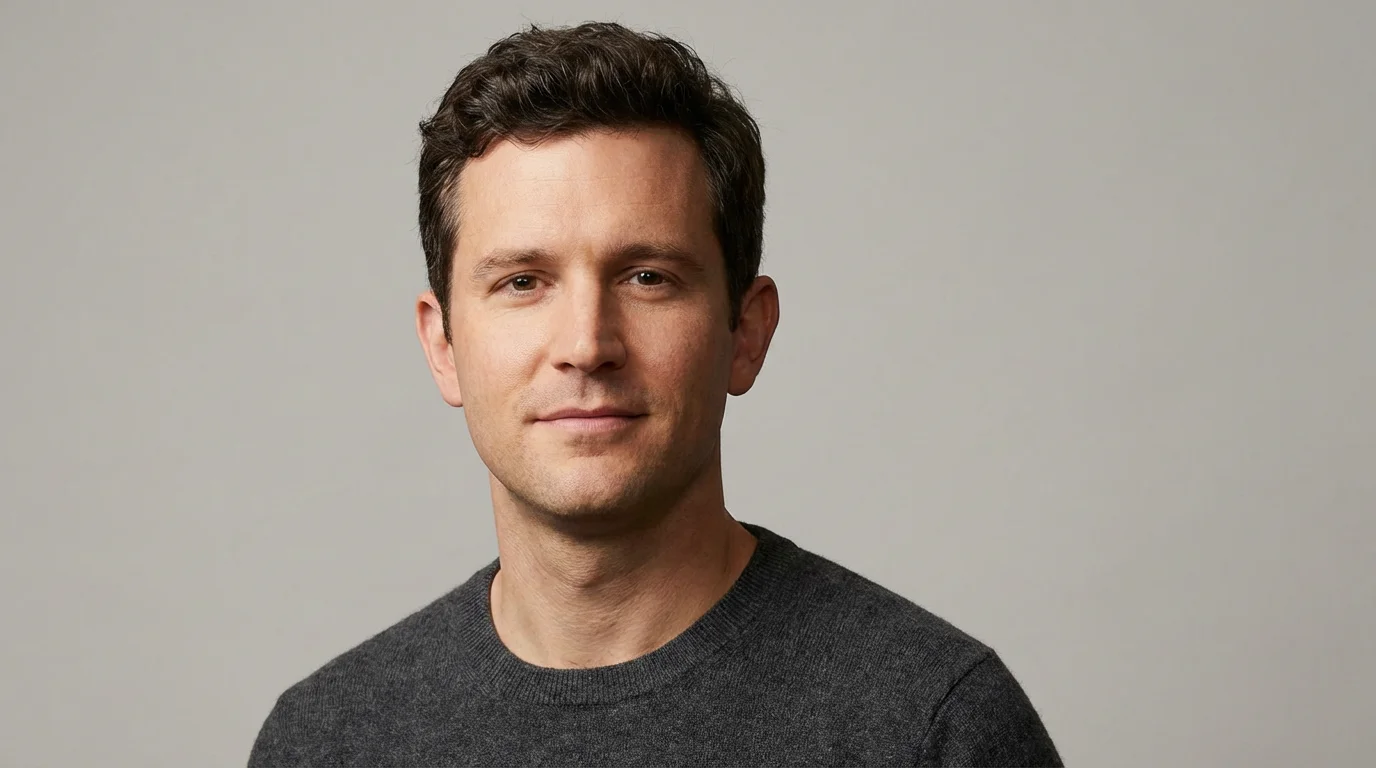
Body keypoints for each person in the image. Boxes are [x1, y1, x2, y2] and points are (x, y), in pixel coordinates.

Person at [248, 21, 1062, 767]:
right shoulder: (326, 742)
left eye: (647, 277)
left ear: (746, 332)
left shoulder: (933, 727)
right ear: (443, 345)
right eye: (523, 281)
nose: (586, 345)